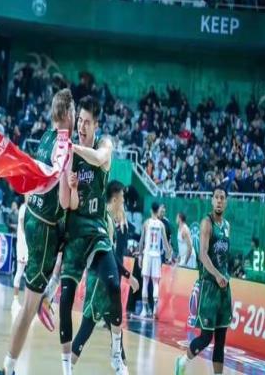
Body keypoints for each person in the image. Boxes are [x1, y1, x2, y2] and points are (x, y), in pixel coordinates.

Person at [0, 88, 75, 375]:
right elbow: (65, 201)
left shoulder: (45, 137)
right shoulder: (66, 146)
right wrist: (74, 188)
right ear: (66, 113)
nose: (76, 116)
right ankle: (7, 368)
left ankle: (47, 295)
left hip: (32, 216)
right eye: (74, 111)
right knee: (28, 308)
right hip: (44, 228)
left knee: (69, 246)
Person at [59, 96, 125, 375]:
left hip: (97, 231)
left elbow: (99, 159)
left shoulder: (103, 145)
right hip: (75, 232)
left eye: (87, 122)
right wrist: (71, 186)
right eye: (80, 121)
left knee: (113, 286)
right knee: (65, 299)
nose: (81, 126)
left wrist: (71, 147)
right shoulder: (70, 156)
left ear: (96, 125)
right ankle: (66, 370)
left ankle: (116, 353)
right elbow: (70, 204)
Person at [71, 181, 139, 372]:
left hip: (106, 282)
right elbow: (110, 257)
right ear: (115, 199)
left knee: (116, 328)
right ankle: (68, 368)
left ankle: (121, 366)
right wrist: (129, 276)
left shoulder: (109, 219)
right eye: (122, 199)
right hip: (98, 284)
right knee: (86, 330)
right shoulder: (105, 220)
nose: (124, 203)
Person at [175, 186, 232, 375]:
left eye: (222, 198)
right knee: (206, 337)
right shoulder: (207, 223)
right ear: (212, 200)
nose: (219, 201)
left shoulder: (227, 226)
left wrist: (225, 276)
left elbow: (225, 257)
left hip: (224, 288)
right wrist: (217, 275)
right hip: (209, 287)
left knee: (221, 340)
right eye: (216, 197)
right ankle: (183, 361)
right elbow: (202, 254)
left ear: (226, 202)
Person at [138, 202, 172, 319]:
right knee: (156, 283)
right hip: (157, 255)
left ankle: (144, 310)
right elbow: (166, 243)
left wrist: (140, 255)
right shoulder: (161, 225)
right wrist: (169, 254)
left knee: (145, 282)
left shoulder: (146, 223)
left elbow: (141, 241)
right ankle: (154, 309)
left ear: (150, 210)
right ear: (158, 211)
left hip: (147, 255)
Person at [12, 196, 28, 312]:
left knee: (30, 275)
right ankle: (15, 300)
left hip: (30, 245)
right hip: (23, 244)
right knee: (19, 271)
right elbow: (22, 224)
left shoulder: (32, 208)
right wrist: (28, 235)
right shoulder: (23, 208)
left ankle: (28, 303)